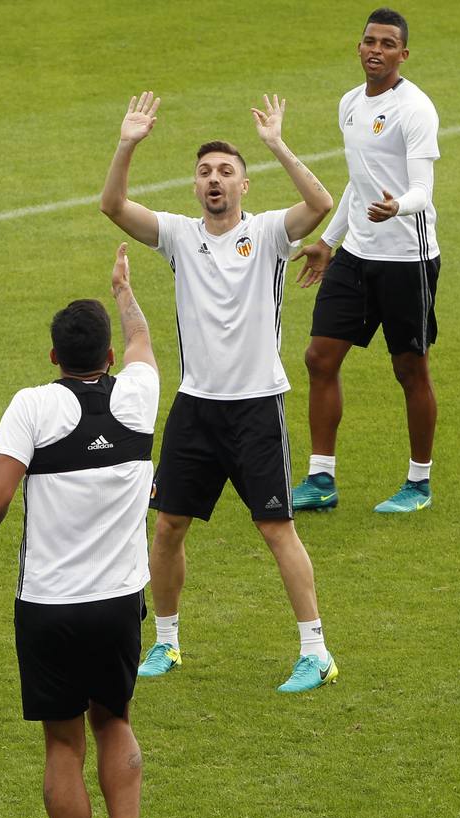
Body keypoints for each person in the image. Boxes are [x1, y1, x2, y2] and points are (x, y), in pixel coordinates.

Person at [99, 93, 340, 693]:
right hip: (195, 408)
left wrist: (277, 143)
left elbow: (321, 203)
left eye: (225, 172)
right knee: (168, 527)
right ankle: (167, 642)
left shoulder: (267, 235)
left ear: (244, 186)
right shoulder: (180, 236)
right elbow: (113, 205)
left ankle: (317, 652)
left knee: (275, 528)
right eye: (205, 172)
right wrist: (128, 142)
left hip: (258, 407)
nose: (214, 180)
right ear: (194, 186)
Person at [0, 245, 158, 818]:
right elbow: (144, 343)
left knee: (62, 745)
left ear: (53, 358)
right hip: (120, 602)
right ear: (106, 357)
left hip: (49, 606)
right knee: (115, 721)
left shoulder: (33, 406)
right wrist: (124, 292)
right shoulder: (138, 395)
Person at [290, 7, 442, 514]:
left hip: (407, 258)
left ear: (403, 54)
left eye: (387, 43)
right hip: (357, 254)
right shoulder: (350, 104)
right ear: (358, 47)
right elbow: (358, 183)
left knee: (410, 369)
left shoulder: (415, 109)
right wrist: (329, 242)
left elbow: (422, 189)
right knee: (319, 358)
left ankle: (418, 483)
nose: (375, 50)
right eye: (369, 41)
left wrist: (398, 205)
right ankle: (321, 478)